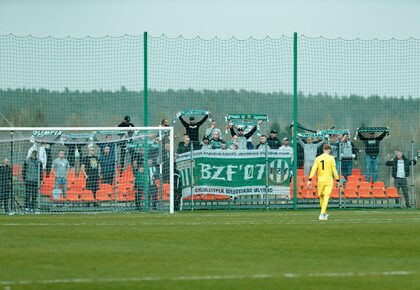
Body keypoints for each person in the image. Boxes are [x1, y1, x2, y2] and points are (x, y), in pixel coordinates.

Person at [307, 144, 340, 221]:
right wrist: (337, 180)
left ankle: (324, 213)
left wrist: (310, 179)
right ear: (329, 150)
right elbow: (334, 169)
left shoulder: (318, 158)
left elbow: (313, 169)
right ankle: (322, 214)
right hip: (328, 179)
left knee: (321, 196)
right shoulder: (331, 158)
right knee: (326, 196)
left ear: (323, 150)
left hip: (320, 180)